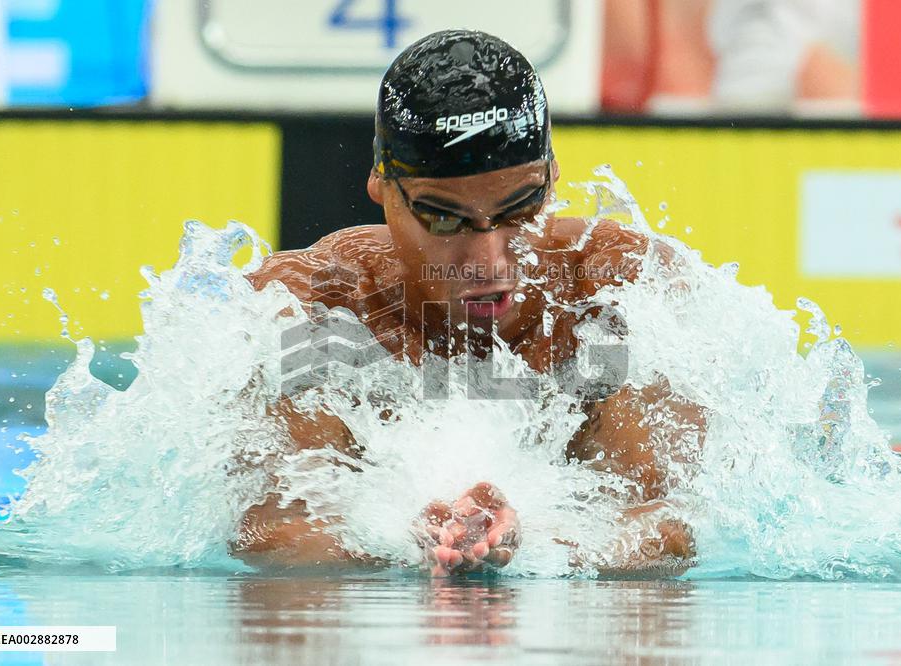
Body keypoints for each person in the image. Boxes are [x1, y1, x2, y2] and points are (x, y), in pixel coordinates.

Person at [236, 29, 705, 576]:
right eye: (442, 217)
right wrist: (401, 545)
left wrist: (540, 551)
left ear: (551, 179)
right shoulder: (315, 304)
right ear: (382, 188)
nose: (488, 263)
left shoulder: (617, 288)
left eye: (519, 209)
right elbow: (272, 529)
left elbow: (665, 526)